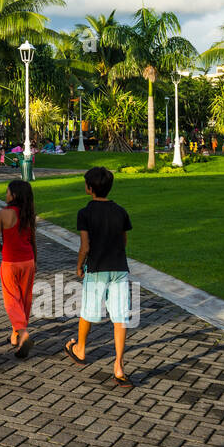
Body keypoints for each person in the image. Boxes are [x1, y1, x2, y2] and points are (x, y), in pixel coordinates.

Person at [66, 165, 134, 387]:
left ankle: (81, 349)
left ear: (90, 188)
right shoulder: (120, 211)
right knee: (120, 317)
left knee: (88, 310)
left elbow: (85, 246)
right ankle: (119, 366)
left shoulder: (85, 213)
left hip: (96, 268)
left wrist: (79, 266)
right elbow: (123, 241)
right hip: (119, 268)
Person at [0, 179, 37, 359]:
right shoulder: (28, 214)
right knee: (25, 299)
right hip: (28, 261)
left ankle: (23, 332)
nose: (6, 194)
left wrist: (3, 249)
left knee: (11, 299)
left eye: (8, 191)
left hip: (10, 262)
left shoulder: (3, 214)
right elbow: (33, 241)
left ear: (14, 195)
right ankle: (16, 334)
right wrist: (35, 261)